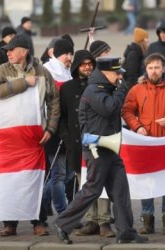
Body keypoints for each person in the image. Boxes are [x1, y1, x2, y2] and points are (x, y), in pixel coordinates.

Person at [53, 56, 149, 245]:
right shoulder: (94, 90)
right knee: (92, 189)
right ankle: (63, 224)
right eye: (116, 73)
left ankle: (126, 232)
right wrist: (122, 89)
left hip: (109, 148)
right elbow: (110, 108)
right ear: (105, 73)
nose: (119, 77)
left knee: (120, 190)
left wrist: (118, 88)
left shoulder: (104, 89)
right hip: (97, 149)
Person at [0, 34, 60, 237]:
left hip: (35, 138)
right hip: (9, 138)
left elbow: (54, 101)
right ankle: (10, 223)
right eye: (8, 51)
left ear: (25, 51)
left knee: (36, 179)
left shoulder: (42, 72)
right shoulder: (1, 70)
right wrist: (24, 82)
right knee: (10, 180)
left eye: (12, 49)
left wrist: (51, 129)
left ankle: (39, 222)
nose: (9, 53)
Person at [122, 52, 165, 235]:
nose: (154, 71)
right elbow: (127, 111)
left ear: (164, 68)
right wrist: (137, 126)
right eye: (150, 68)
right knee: (147, 182)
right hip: (145, 143)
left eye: (157, 67)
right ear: (146, 69)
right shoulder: (136, 90)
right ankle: (147, 219)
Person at [74, 40, 115, 238]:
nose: (88, 67)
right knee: (87, 183)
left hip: (101, 140)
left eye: (90, 64)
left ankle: (104, 222)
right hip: (79, 143)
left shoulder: (105, 84)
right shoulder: (68, 86)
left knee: (102, 181)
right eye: (83, 64)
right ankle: (91, 220)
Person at [42, 38, 75, 216]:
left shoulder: (67, 71)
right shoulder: (48, 70)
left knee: (68, 174)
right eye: (66, 54)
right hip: (53, 129)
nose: (69, 57)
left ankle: (42, 199)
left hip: (68, 130)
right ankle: (64, 214)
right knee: (58, 174)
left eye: (71, 53)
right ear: (56, 54)